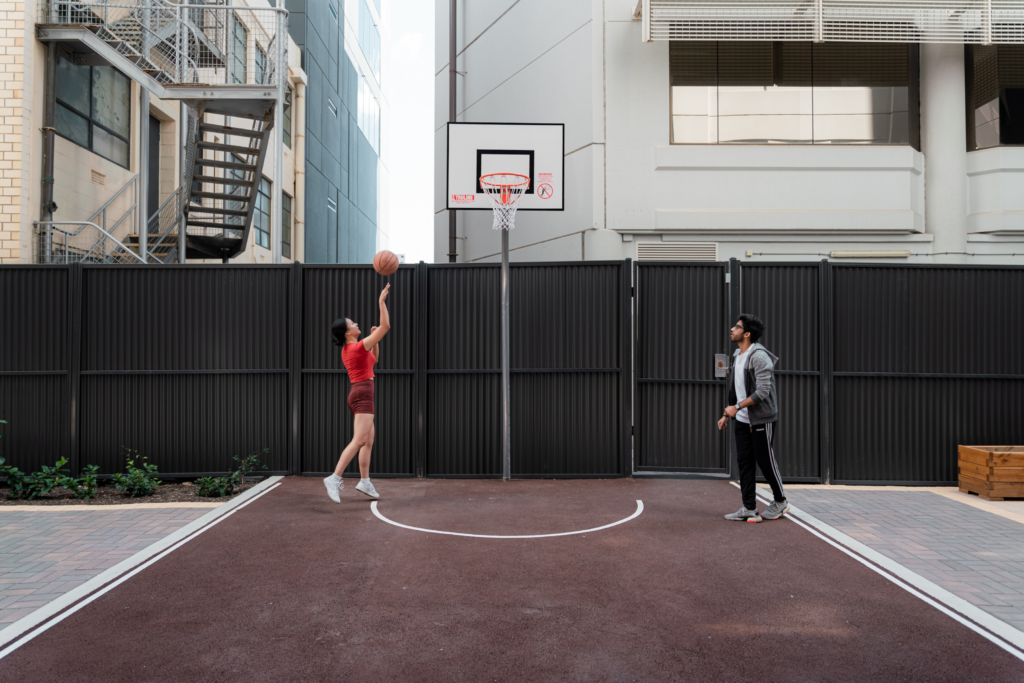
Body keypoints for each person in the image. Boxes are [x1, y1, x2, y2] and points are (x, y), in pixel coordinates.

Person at [717, 313, 789, 523]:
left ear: (747, 334)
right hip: (741, 419)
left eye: (737, 327)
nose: (732, 329)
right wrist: (726, 414)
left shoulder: (758, 356)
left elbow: (763, 391)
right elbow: (735, 388)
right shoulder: (736, 355)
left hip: (762, 418)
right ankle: (749, 508)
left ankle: (781, 501)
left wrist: (737, 407)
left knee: (765, 462)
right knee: (744, 463)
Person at [324, 283, 391, 503]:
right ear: (347, 332)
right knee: (360, 439)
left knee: (368, 440)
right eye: (353, 323)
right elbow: (386, 326)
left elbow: (374, 361)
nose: (357, 324)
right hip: (362, 393)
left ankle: (364, 481)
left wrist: (375, 343)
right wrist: (381, 302)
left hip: (360, 393)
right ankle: (334, 478)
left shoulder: (354, 349)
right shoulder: (355, 347)